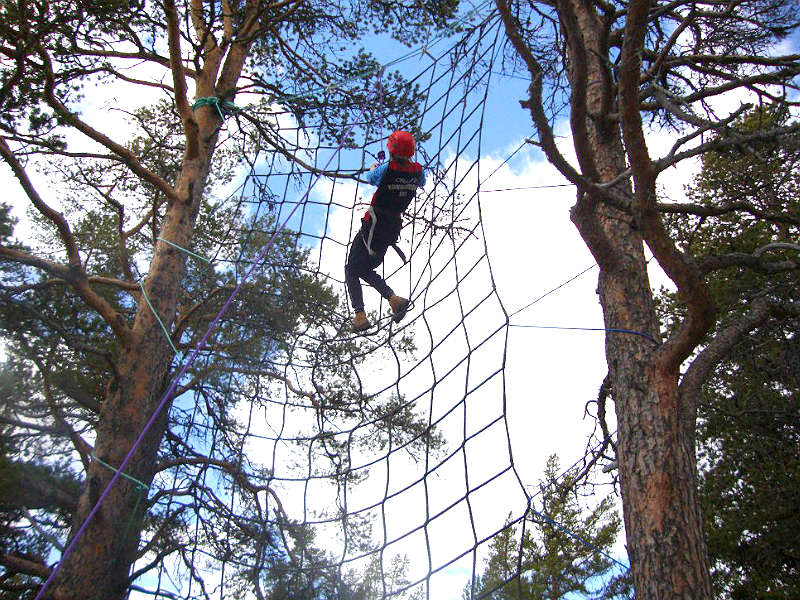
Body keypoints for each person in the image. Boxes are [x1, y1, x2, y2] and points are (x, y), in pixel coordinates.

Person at [345, 130, 426, 332]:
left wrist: (375, 167)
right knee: (363, 269)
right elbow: (422, 182)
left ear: (391, 150)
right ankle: (394, 300)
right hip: (391, 229)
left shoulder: (386, 168)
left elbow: (370, 178)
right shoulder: (417, 172)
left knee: (352, 268)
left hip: (373, 226)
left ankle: (360, 315)